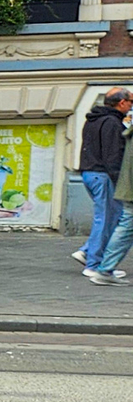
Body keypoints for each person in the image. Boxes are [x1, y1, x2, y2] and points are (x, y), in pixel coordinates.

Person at [79, 89, 131, 278]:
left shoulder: (93, 119)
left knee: (112, 216)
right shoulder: (112, 122)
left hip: (89, 172)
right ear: (122, 102)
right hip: (103, 175)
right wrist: (120, 181)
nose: (132, 106)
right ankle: (93, 264)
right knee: (107, 218)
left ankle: (89, 253)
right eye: (131, 101)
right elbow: (113, 156)